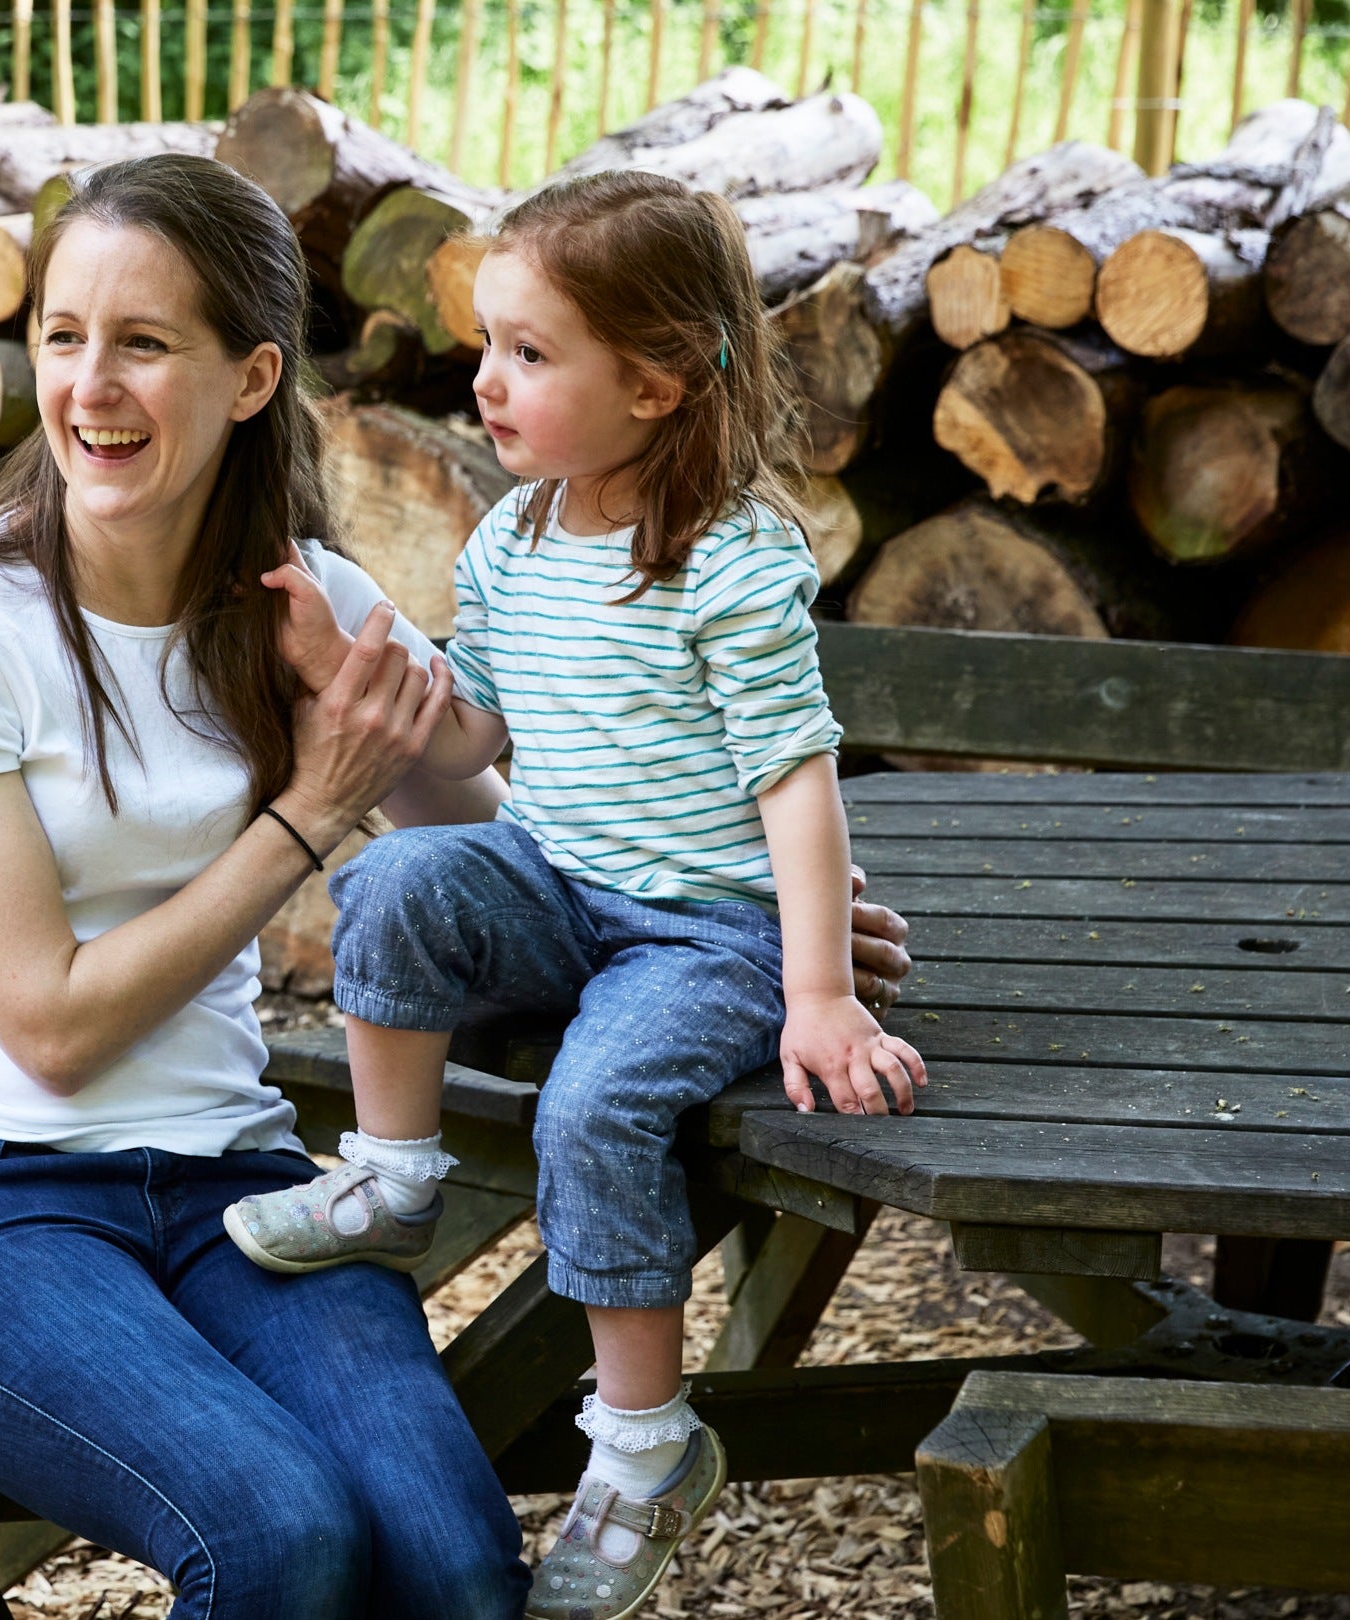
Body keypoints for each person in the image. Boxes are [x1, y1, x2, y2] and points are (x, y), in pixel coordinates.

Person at [0, 154, 915, 1619]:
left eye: (144, 344)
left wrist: (746, 918)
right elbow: (52, 1028)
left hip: (230, 1175)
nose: (90, 387)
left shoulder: (308, 605)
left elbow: (519, 836)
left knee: (457, 1568)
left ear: (253, 376)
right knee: (283, 1536)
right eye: (65, 337)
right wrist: (308, 812)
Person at [219, 169, 931, 1619]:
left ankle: (645, 1449)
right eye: (487, 345)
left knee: (592, 1108)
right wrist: (342, 665)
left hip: (704, 928)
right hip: (560, 879)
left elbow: (798, 783)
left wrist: (817, 991)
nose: (487, 383)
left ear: (659, 382)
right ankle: (395, 1175)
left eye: (531, 355)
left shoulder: (730, 563)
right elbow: (473, 734)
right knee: (404, 874)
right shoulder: (514, 536)